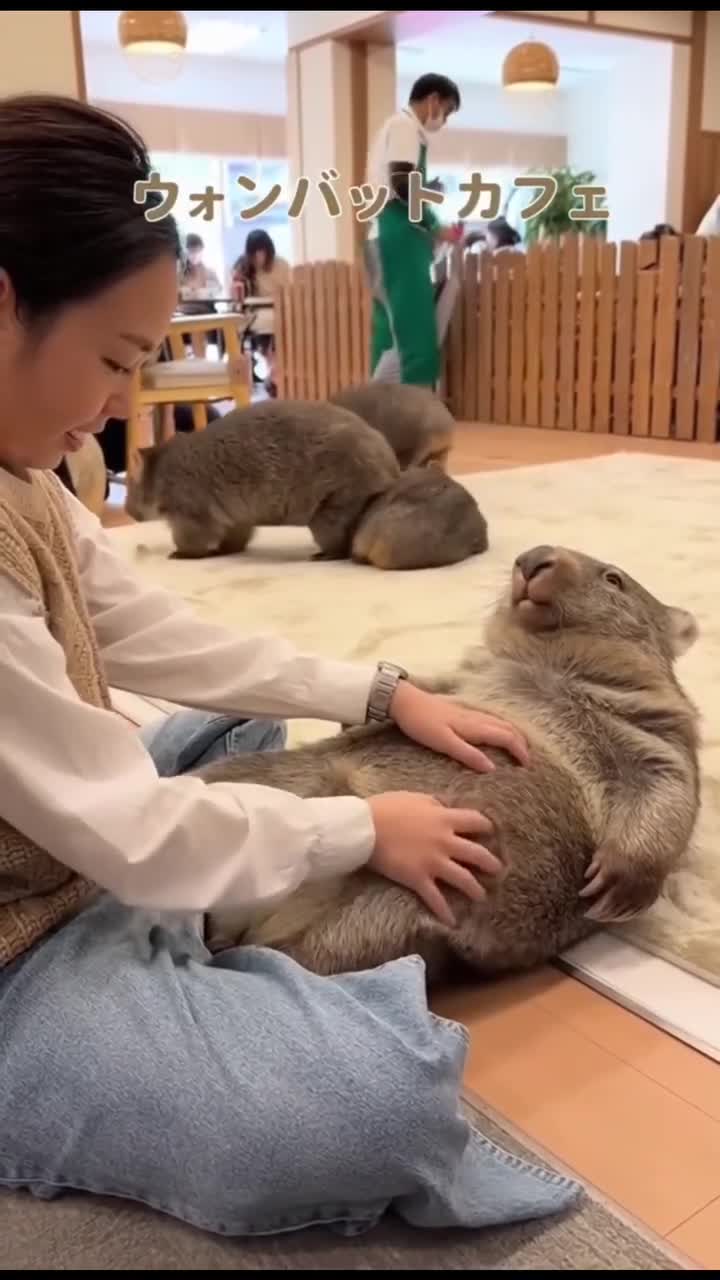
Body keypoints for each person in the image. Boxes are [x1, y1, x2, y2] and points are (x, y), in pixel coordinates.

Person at [0, 94, 580, 1242]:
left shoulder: (24, 471)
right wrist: (360, 831)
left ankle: (186, 953)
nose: (119, 406)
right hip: (22, 943)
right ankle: (189, 996)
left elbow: (153, 631)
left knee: (243, 732)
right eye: (113, 361)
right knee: (369, 1110)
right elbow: (125, 828)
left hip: (72, 839)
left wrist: (384, 692)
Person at [365, 74, 464, 390]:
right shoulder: (405, 127)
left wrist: (428, 195)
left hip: (388, 234)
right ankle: (412, 405)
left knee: (391, 328)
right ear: (433, 100)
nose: (443, 120)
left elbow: (402, 184)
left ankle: (379, 402)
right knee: (413, 327)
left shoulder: (397, 129)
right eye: (446, 110)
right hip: (397, 235)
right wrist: (435, 225)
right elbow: (403, 185)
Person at [232, 229, 290, 396]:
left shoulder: (281, 265)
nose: (258, 257)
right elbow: (236, 295)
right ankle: (274, 376)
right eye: (254, 253)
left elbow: (289, 291)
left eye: (261, 252)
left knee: (274, 327)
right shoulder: (243, 266)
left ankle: (274, 375)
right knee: (261, 327)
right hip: (255, 312)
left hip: (279, 311)